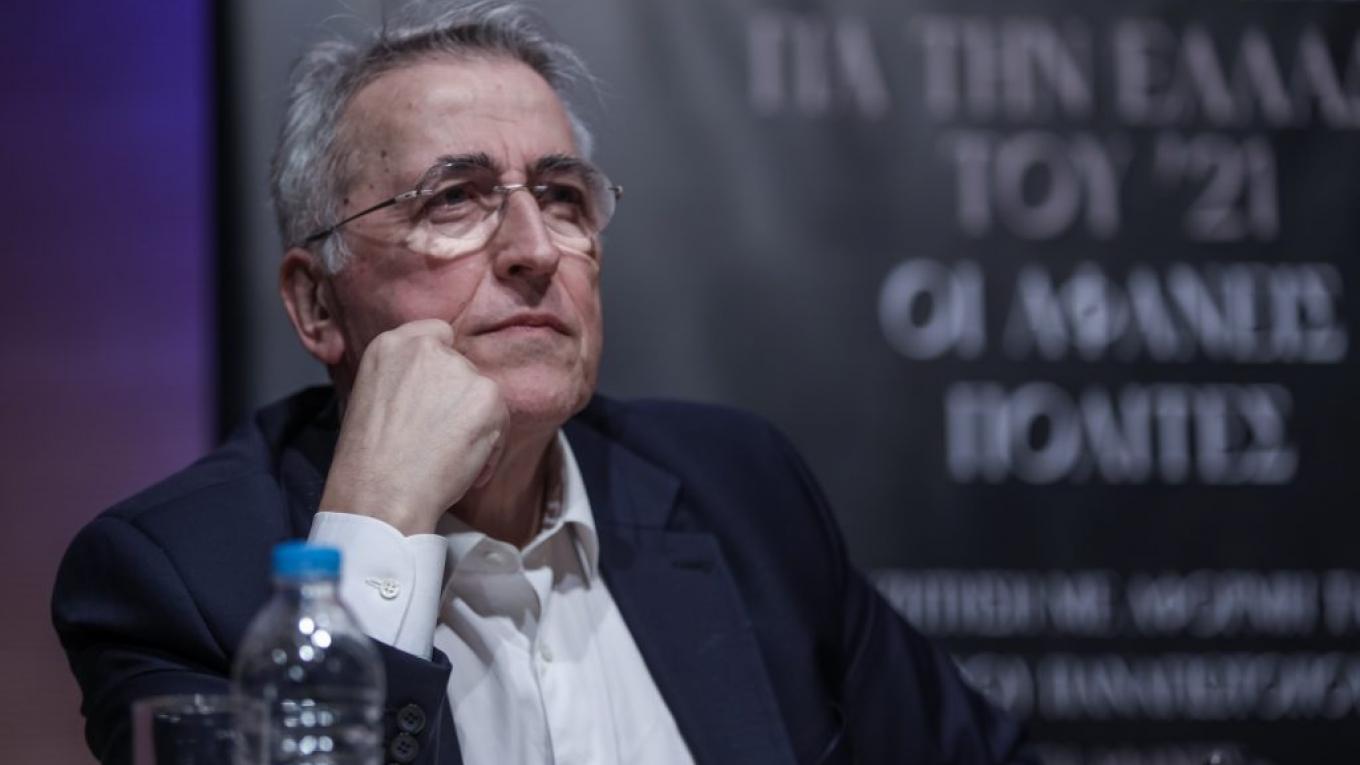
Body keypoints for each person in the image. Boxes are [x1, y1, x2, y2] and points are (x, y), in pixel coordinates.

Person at [52, 3, 1036, 763]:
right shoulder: (176, 580)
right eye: (454, 200)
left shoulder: (741, 491)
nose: (533, 249)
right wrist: (378, 527)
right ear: (316, 304)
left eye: (561, 197)